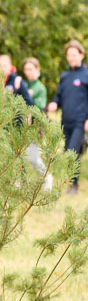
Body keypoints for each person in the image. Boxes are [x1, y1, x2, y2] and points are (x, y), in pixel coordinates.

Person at [0, 54, 52, 190]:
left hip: (22, 126)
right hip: (7, 125)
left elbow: (29, 103)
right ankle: (19, 184)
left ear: (10, 66)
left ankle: (47, 178)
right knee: (14, 156)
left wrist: (28, 119)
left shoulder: (18, 81)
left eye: (4, 65)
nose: (2, 68)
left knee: (32, 157)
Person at [48, 40, 88, 195]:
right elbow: (58, 96)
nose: (71, 58)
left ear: (81, 55)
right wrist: (54, 103)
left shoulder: (86, 75)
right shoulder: (64, 76)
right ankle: (83, 145)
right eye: (68, 55)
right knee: (68, 152)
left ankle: (73, 185)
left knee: (72, 152)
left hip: (80, 121)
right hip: (66, 121)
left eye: (73, 54)